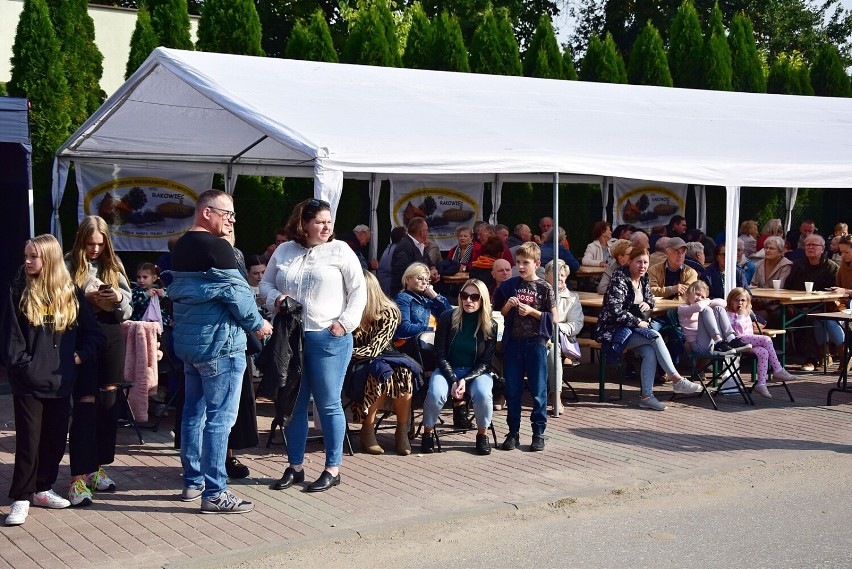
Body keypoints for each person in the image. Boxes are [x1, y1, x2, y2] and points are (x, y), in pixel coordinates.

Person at [169, 190, 272, 513]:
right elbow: (239, 296)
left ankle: (192, 482)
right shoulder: (218, 248)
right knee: (219, 421)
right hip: (220, 345)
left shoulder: (181, 246)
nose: (230, 221)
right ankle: (215, 492)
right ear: (206, 212)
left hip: (189, 345)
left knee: (192, 415)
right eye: (227, 214)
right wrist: (259, 325)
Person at [261, 197, 365, 494]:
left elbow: (359, 291)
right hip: (292, 336)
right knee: (293, 402)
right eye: (319, 221)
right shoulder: (284, 250)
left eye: (329, 221)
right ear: (303, 223)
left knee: (328, 402)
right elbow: (266, 285)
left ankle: (333, 468)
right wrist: (276, 299)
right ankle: (295, 466)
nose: (326, 226)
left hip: (328, 336)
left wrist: (344, 323)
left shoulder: (340, 250)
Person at [1, 235, 105, 525]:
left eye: (33, 256)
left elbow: (93, 334)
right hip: (28, 383)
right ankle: (21, 497)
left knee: (56, 440)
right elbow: (12, 340)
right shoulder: (18, 290)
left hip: (61, 383)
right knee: (28, 442)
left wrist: (77, 358)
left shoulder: (70, 292)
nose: (27, 261)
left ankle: (42, 488)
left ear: (49, 259)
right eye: (26, 255)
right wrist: (25, 366)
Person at [65, 215, 132, 506]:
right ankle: (78, 477)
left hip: (112, 334)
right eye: (90, 244)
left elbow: (130, 306)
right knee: (84, 405)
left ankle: (97, 468)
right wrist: (86, 299)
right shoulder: (68, 264)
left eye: (100, 244)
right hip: (82, 336)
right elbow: (59, 302)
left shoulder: (114, 265)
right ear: (81, 241)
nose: (95, 250)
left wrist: (117, 296)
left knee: (109, 404)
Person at [595, 248, 702, 411]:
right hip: (614, 331)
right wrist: (638, 321)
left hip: (632, 330)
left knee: (649, 351)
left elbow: (651, 298)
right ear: (629, 262)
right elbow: (614, 310)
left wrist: (648, 304)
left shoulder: (644, 279)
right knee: (655, 336)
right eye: (638, 262)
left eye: (645, 262)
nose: (642, 266)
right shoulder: (620, 278)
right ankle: (676, 379)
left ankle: (647, 397)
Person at [421, 279, 497, 456]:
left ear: (483, 299)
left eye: (474, 297)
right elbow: (439, 354)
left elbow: (485, 363)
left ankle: (482, 435)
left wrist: (465, 379)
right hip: (448, 369)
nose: (469, 301)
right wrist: (454, 379)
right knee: (435, 393)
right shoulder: (448, 317)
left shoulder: (490, 325)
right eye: (465, 296)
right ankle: (427, 432)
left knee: (484, 394)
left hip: (476, 372)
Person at [492, 242, 555, 452]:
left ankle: (538, 433)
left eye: (525, 263)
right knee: (512, 390)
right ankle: (513, 433)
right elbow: (500, 312)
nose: (520, 266)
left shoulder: (545, 287)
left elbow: (553, 318)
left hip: (536, 343)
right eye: (518, 262)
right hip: (514, 344)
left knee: (538, 390)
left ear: (537, 264)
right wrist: (508, 307)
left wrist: (532, 311)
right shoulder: (510, 285)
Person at [350, 272, 419, 456]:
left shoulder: (389, 312)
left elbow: (375, 348)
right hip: (359, 363)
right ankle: (368, 429)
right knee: (379, 374)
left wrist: (347, 352)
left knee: (401, 373)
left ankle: (402, 430)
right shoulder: (349, 310)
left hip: (383, 354)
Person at [726, 287, 799, 398]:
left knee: (763, 352)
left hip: (748, 343)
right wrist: (740, 315)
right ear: (730, 301)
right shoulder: (728, 314)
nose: (739, 303)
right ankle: (778, 369)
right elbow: (735, 330)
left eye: (742, 300)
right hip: (737, 342)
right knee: (767, 339)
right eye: (736, 300)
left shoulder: (747, 313)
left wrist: (748, 313)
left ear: (747, 302)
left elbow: (762, 323)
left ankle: (761, 384)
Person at [786, 234, 841, 372]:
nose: (810, 247)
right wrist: (790, 305)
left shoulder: (831, 267)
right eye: (807, 245)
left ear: (822, 249)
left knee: (811, 317)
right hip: (797, 305)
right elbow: (788, 286)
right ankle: (777, 355)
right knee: (778, 315)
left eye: (814, 245)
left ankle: (811, 359)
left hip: (822, 306)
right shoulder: (798, 265)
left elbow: (832, 292)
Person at [545, 260, 584, 413]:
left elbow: (577, 324)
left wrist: (556, 327)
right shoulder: (539, 292)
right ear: (547, 276)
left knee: (553, 352)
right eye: (555, 275)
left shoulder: (572, 298)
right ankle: (503, 394)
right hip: (535, 335)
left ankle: (556, 397)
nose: (559, 278)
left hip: (557, 338)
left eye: (562, 275)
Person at [677, 280, 751, 358]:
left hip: (711, 341)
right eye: (697, 294)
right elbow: (700, 307)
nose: (699, 298)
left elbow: (724, 303)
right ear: (688, 293)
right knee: (706, 309)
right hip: (698, 346)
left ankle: (731, 339)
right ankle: (718, 342)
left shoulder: (703, 304)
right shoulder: (683, 308)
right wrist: (706, 301)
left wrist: (708, 301)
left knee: (718, 309)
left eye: (702, 297)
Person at [394, 262, 452, 341]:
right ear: (408, 280)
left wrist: (434, 295)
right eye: (420, 278)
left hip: (434, 341)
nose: (424, 282)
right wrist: (432, 330)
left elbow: (450, 316)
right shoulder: (403, 298)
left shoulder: (427, 300)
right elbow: (404, 328)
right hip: (415, 344)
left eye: (427, 280)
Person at [391, 217, 435, 296]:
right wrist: (428, 275)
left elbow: (430, 263)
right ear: (421, 232)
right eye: (427, 230)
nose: (428, 233)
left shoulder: (420, 245)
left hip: (419, 293)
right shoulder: (404, 247)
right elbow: (402, 274)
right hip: (406, 296)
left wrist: (433, 270)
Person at [648, 237, 698, 303]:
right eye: (676, 252)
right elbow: (650, 291)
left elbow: (688, 294)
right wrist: (671, 290)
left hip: (680, 309)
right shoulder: (653, 270)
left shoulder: (691, 273)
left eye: (683, 252)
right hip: (658, 308)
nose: (680, 255)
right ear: (667, 252)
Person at [130, 262, 172, 326]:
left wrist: (164, 296)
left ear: (154, 278)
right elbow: (131, 305)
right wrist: (145, 295)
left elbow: (172, 307)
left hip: (161, 326)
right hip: (140, 326)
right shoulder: (135, 291)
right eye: (138, 277)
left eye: (145, 277)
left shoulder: (164, 290)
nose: (141, 280)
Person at [377, 226, 407, 296]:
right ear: (403, 239)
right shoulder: (396, 251)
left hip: (386, 286)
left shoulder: (391, 248)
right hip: (389, 288)